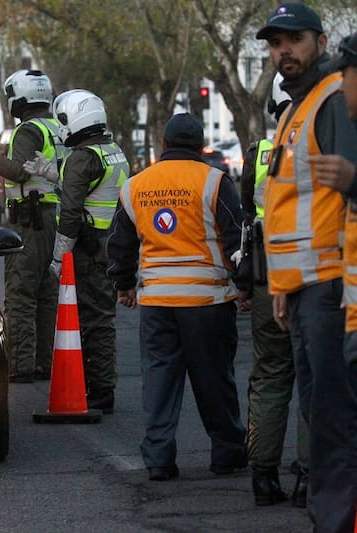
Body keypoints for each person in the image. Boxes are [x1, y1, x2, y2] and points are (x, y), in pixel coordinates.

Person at [256, 5, 357, 530]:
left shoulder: (333, 99)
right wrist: (280, 285)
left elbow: (348, 193)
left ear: (320, 41)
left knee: (333, 418)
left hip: (330, 286)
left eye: (293, 40)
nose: (283, 51)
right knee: (319, 414)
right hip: (301, 288)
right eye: (275, 43)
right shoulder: (296, 108)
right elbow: (289, 205)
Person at [106, 113, 248, 482]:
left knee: (159, 381)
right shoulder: (215, 182)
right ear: (201, 147)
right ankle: (226, 454)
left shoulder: (136, 185)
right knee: (215, 380)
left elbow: (120, 243)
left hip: (157, 302)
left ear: (164, 145)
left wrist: (123, 284)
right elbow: (237, 240)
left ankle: (159, 460)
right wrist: (245, 286)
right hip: (207, 302)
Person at [0, 69, 64, 382]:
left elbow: (20, 173)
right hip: (52, 216)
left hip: (29, 220)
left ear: (20, 98)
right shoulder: (54, 127)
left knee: (21, 294)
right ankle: (45, 363)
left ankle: (21, 366)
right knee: (46, 294)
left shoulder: (26, 130)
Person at [31, 89, 129, 412]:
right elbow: (89, 193)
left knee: (93, 321)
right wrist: (51, 173)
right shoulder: (111, 151)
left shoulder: (81, 158)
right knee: (101, 318)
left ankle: (100, 389)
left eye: (62, 121)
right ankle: (99, 385)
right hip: (110, 247)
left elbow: (71, 212)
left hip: (88, 253)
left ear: (75, 119)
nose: (60, 128)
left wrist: (59, 257)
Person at [239, 73, 309, 508]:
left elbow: (247, 208)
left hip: (268, 272)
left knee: (270, 373)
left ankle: (263, 477)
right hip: (315, 270)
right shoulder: (325, 138)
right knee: (315, 377)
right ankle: (309, 478)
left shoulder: (260, 151)